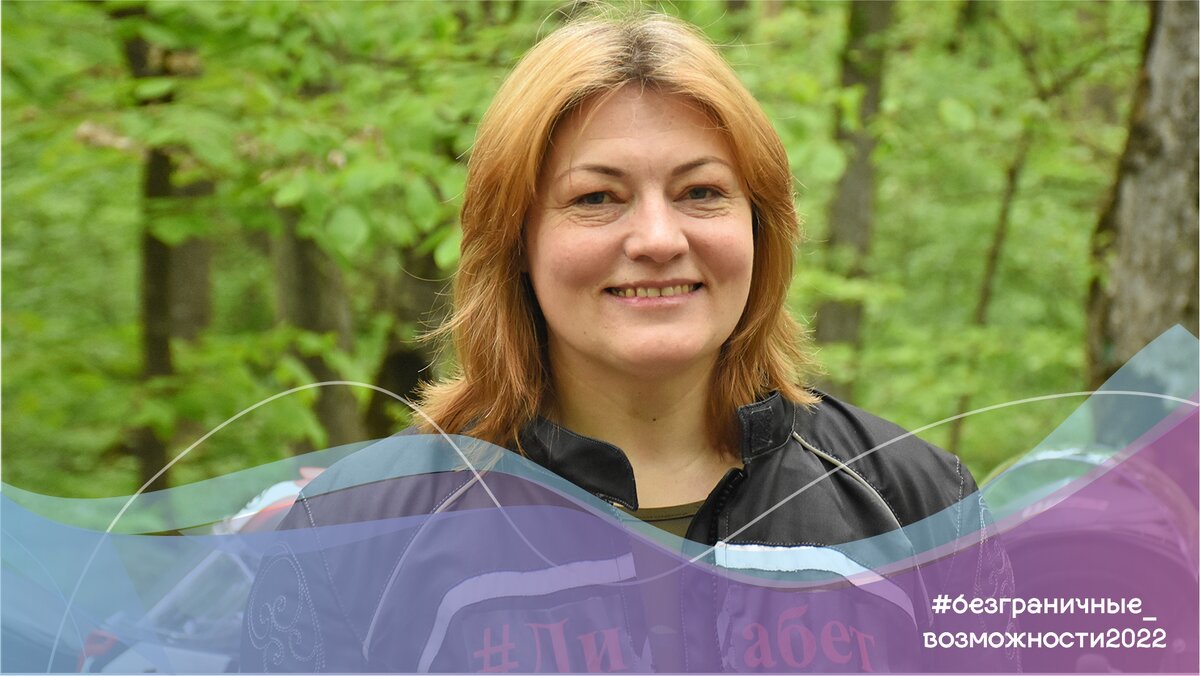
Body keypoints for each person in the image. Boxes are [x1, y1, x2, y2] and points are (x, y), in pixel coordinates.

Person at [242, 10, 1016, 673]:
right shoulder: (354, 534)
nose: (657, 238)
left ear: (760, 227)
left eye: (701, 192)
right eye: (597, 197)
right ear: (516, 240)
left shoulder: (920, 505)